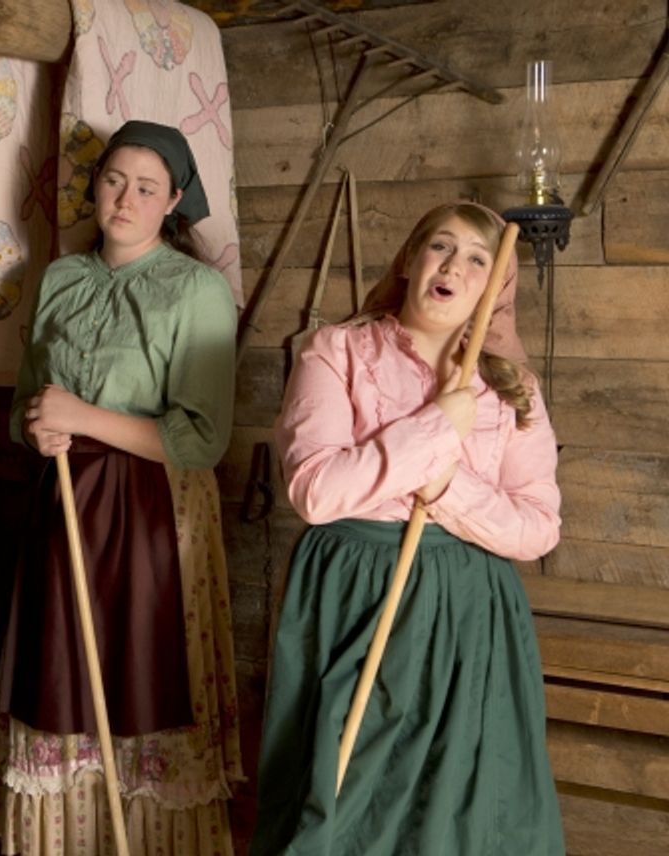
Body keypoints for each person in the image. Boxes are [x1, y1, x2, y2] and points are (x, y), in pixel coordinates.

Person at [251, 202, 564, 855]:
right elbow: (315, 488)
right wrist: (434, 427)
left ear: (494, 288)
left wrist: (447, 485)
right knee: (345, 794)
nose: (454, 265)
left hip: (468, 613)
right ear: (409, 260)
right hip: (352, 594)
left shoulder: (512, 391)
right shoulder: (335, 351)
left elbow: (538, 527)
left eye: (478, 259)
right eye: (440, 247)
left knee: (458, 812)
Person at [0, 120, 243, 855]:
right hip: (66, 502)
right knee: (63, 674)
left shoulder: (198, 290)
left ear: (175, 201)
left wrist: (83, 416)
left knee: (146, 676)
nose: (124, 198)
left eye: (146, 187)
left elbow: (200, 439)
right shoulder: (61, 277)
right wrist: (42, 429)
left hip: (156, 512)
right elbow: (30, 403)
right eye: (113, 180)